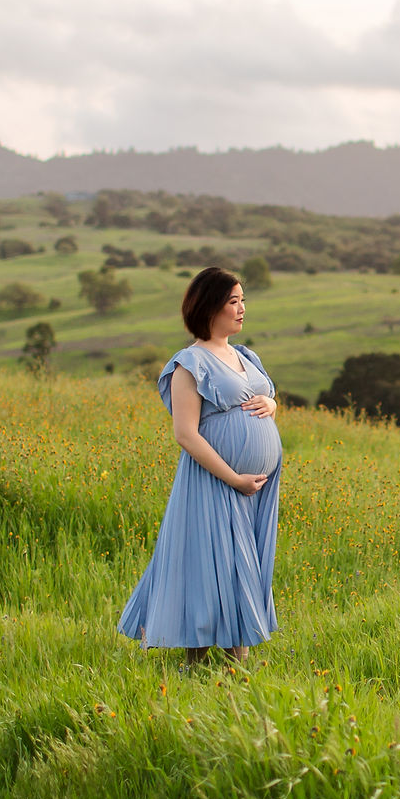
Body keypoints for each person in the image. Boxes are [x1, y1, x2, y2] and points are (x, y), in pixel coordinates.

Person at [118, 266, 282, 664]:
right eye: (233, 301)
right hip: (216, 481)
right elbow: (186, 434)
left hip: (254, 487)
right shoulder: (188, 363)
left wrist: (273, 404)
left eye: (243, 300)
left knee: (239, 564)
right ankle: (207, 669)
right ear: (209, 307)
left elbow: (265, 398)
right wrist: (233, 478)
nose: (242, 309)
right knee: (214, 568)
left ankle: (231, 672)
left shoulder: (245, 355)